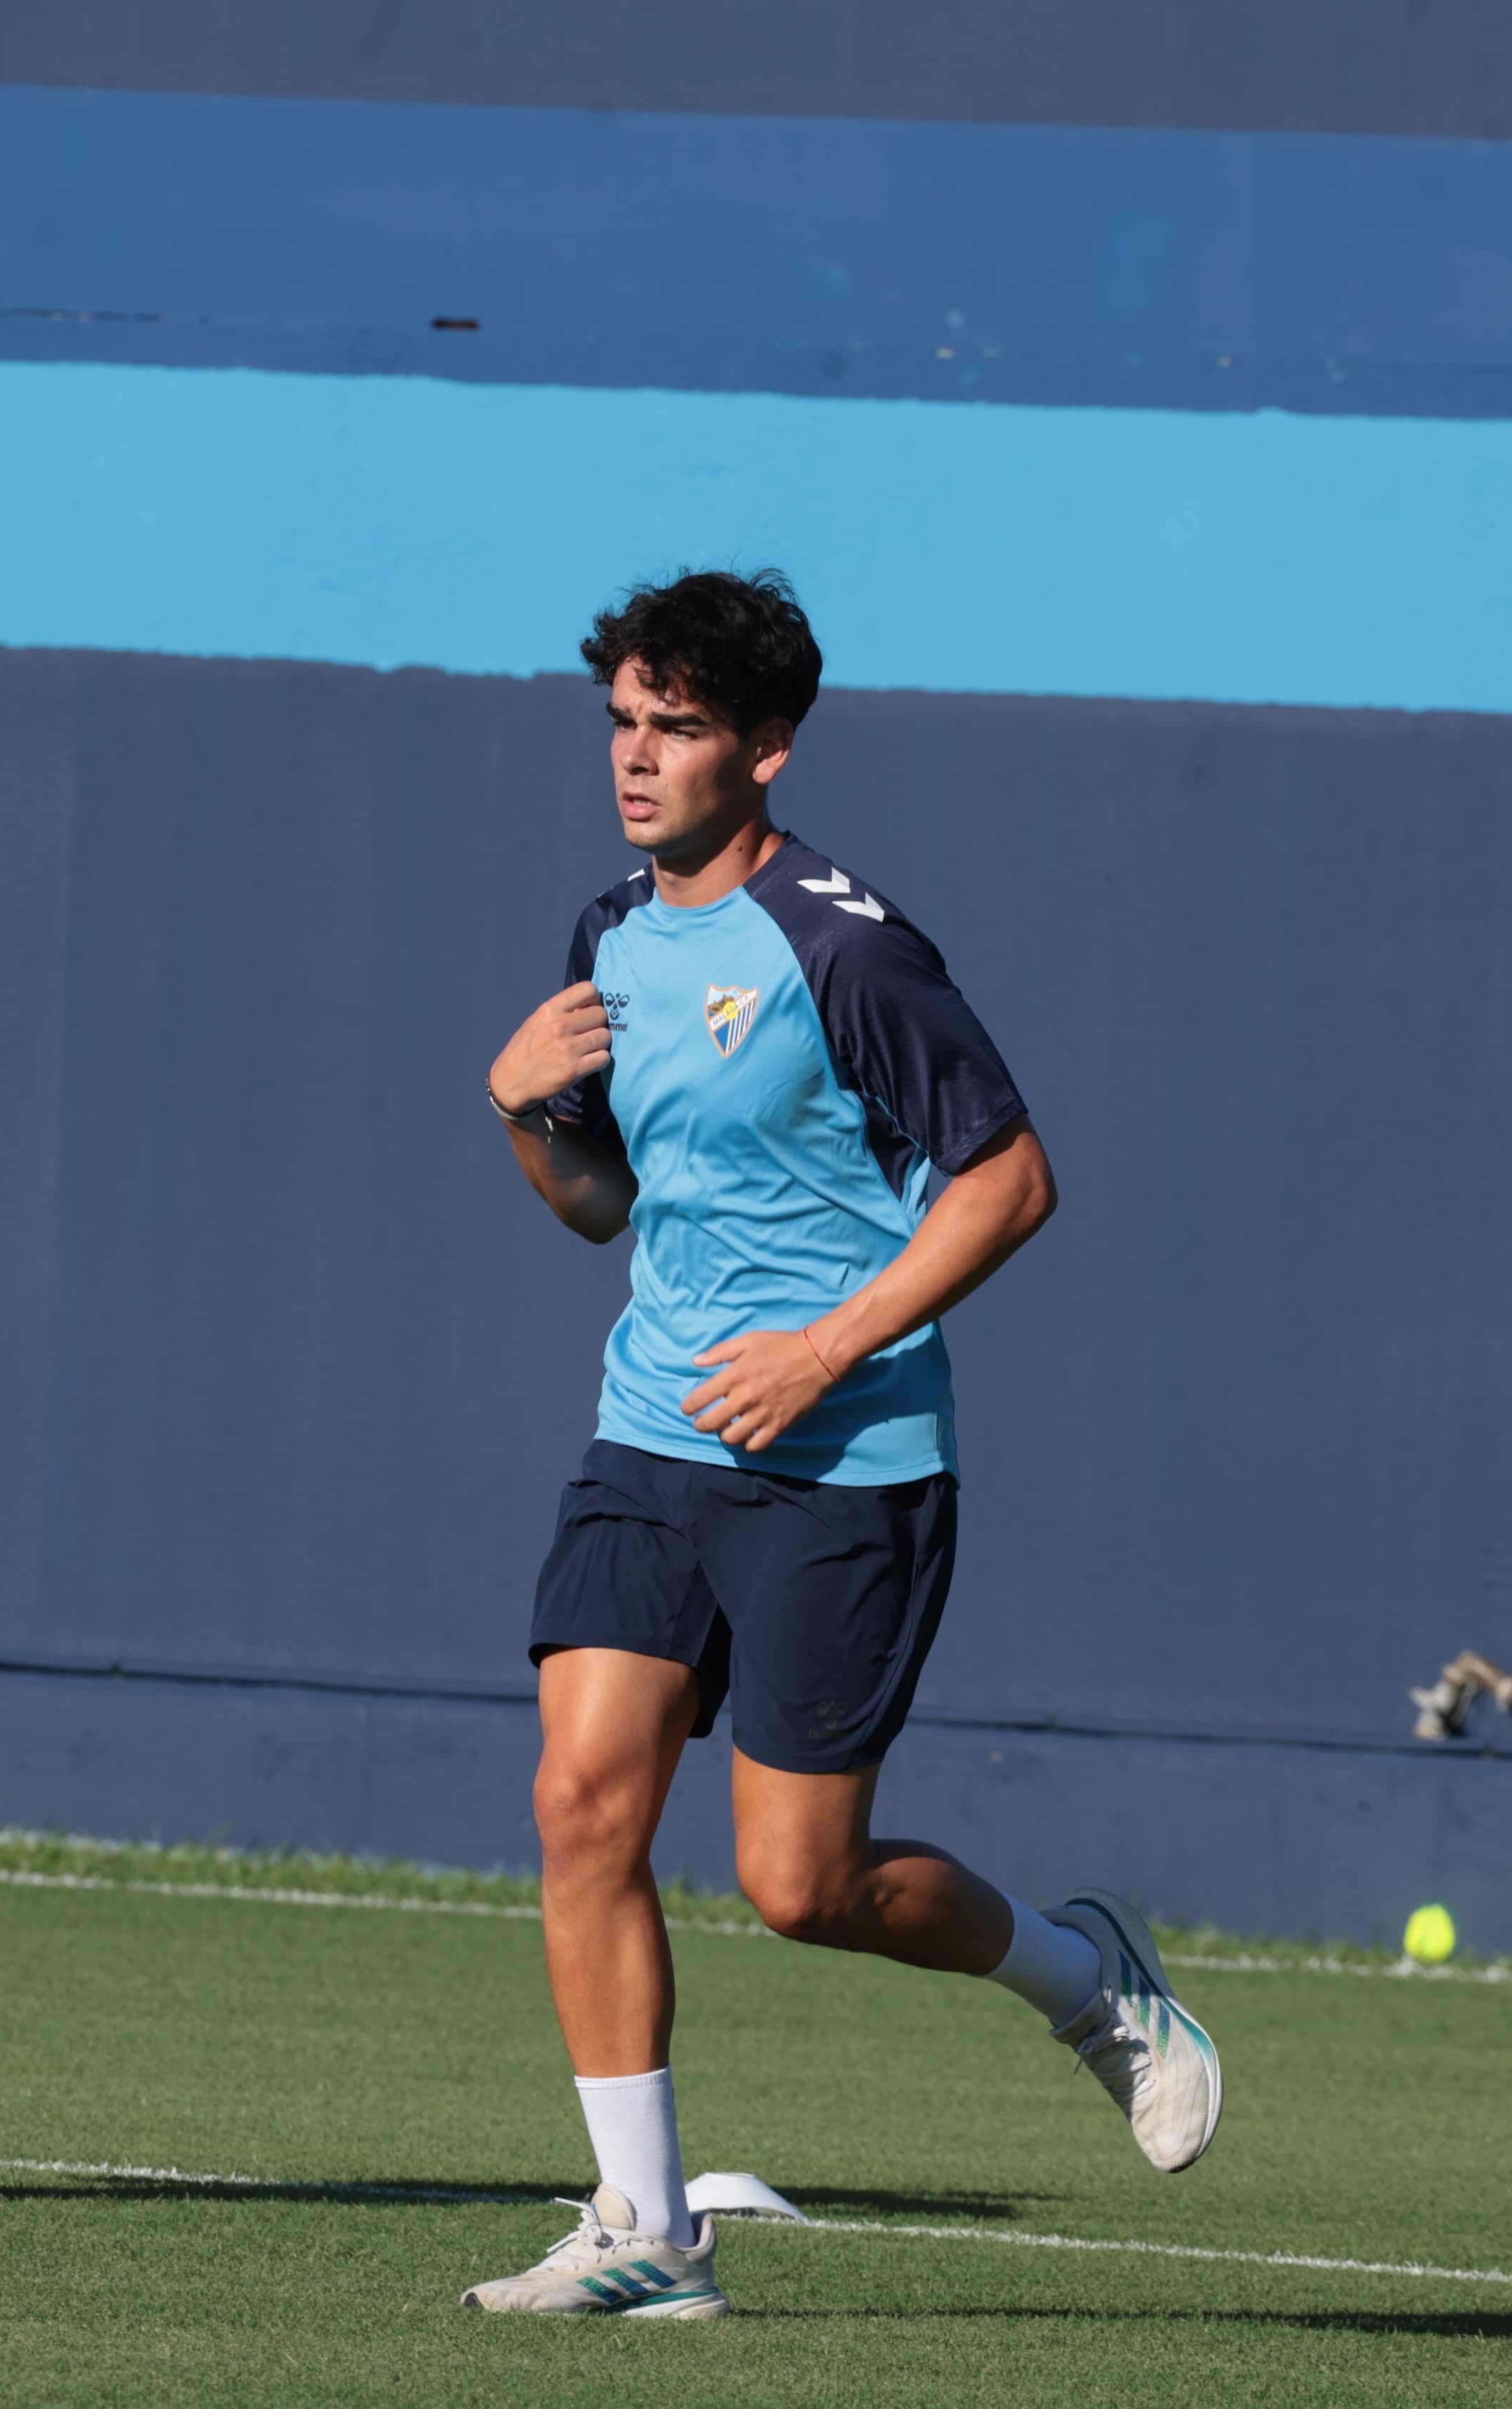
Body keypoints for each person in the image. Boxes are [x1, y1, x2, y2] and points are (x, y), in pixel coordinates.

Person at [462, 569, 1219, 2318]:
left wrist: (821, 1350)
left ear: (768, 751)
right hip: (651, 1435)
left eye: (679, 728)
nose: (636, 760)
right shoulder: (606, 935)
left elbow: (1011, 1182)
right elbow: (596, 1208)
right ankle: (645, 2233)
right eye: (622, 724)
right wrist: (510, 1107)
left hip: (844, 1457)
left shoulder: (845, 944)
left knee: (801, 1888)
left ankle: (1082, 1981)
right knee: (581, 1805)